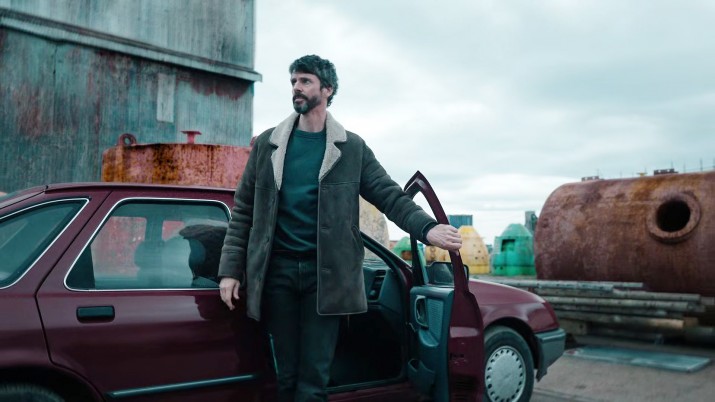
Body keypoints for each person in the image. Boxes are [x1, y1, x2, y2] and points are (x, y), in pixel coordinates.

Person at [218, 54, 461, 402]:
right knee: (285, 377)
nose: (296, 87)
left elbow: (390, 196)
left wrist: (428, 229)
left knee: (313, 380)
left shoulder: (351, 148)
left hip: (325, 279)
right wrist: (230, 271)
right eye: (293, 81)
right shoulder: (269, 144)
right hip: (277, 274)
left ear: (327, 90)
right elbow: (243, 210)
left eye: (305, 81)